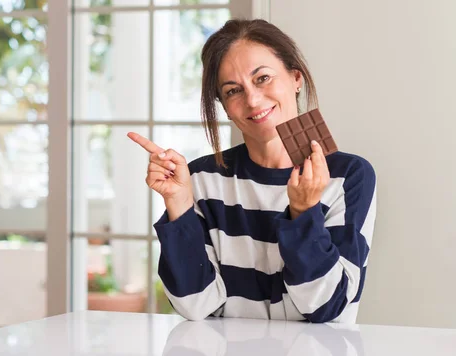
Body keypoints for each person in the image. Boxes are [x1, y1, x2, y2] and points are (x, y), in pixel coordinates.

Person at [127, 19, 377, 323]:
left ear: (295, 78)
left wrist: (304, 212)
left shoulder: (347, 176)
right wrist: (179, 207)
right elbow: (195, 306)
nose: (252, 100)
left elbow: (325, 307)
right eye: (233, 90)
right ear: (224, 105)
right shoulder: (202, 180)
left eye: (263, 78)